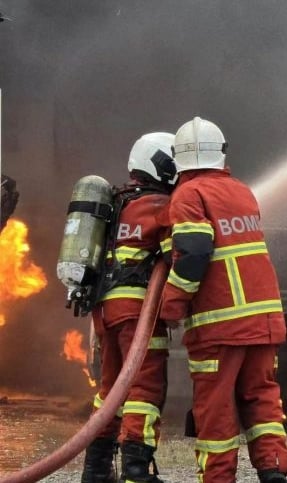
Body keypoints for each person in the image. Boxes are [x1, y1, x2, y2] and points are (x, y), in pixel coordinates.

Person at [160, 117, 287, 483]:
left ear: (178, 158)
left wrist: (169, 307)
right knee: (262, 399)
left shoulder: (189, 195)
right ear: (221, 153)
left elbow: (193, 253)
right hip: (264, 321)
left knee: (215, 410)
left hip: (221, 325)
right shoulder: (242, 191)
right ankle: (273, 472)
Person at [81, 132, 177, 483]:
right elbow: (176, 252)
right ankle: (137, 472)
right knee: (145, 390)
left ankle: (95, 470)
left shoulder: (117, 202)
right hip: (138, 313)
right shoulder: (158, 206)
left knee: (111, 391)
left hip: (106, 313)